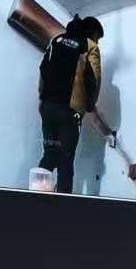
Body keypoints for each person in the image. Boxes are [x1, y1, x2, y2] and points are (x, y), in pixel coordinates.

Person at [37, 14, 103, 194]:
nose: (98, 41)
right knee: (65, 161)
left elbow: (43, 69)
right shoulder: (89, 46)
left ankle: (35, 197)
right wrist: (90, 104)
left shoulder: (57, 40)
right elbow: (95, 78)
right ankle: (63, 206)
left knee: (50, 155)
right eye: (97, 37)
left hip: (48, 108)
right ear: (92, 33)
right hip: (69, 112)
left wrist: (42, 97)